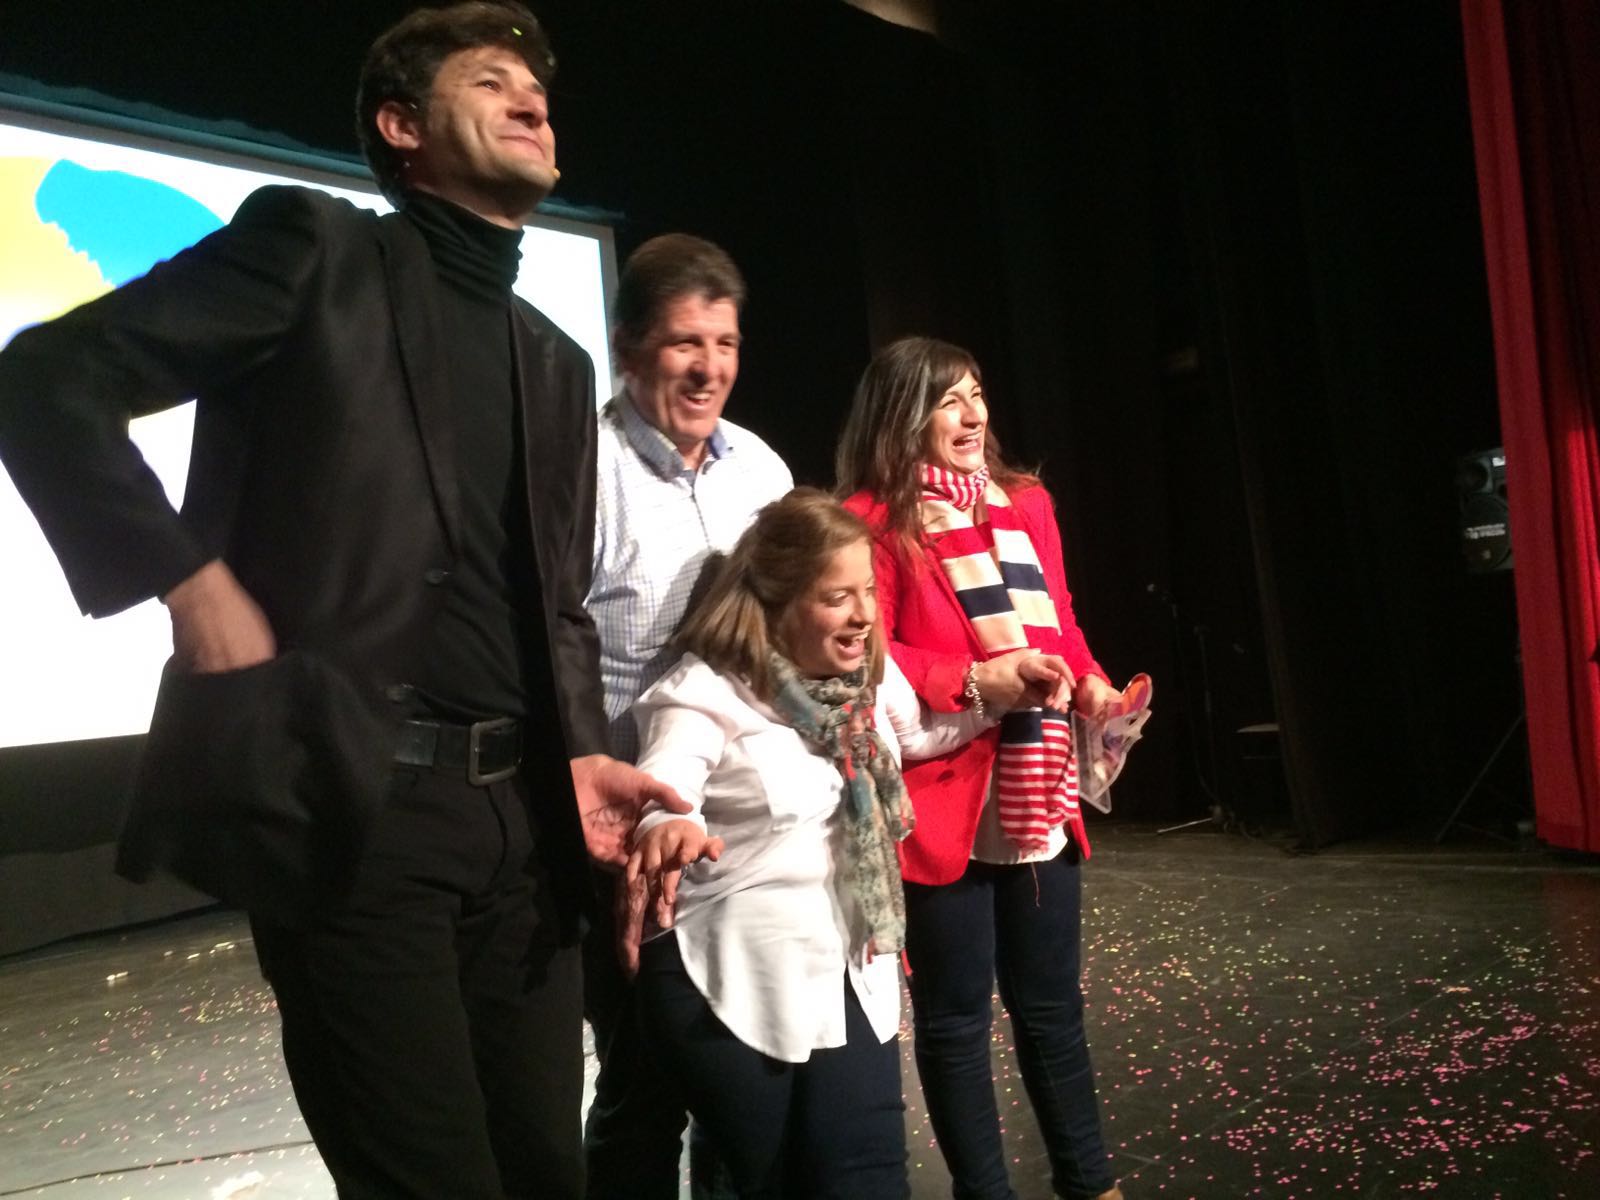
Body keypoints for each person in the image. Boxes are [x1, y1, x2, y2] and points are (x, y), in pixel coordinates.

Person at [0, 5, 680, 1197]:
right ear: (400, 126)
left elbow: (557, 605)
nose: (533, 99)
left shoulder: (554, 359)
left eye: (539, 88)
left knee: (545, 1177)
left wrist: (576, 760)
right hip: (363, 811)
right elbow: (46, 379)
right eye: (492, 80)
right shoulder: (316, 254)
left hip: (518, 831)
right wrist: (186, 576)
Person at [618, 489, 1073, 1200]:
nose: (864, 614)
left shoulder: (867, 679)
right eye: (838, 597)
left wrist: (1003, 699)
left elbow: (917, 738)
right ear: (778, 601)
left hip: (851, 972)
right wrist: (664, 826)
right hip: (738, 980)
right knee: (767, 1184)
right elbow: (666, 779)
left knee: (866, 1179)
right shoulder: (709, 689)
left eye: (867, 590)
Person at [838, 336, 1126, 1200]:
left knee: (1053, 1013)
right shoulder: (868, 520)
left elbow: (1061, 619)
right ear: (902, 416)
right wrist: (967, 679)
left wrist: (1091, 681)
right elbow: (868, 651)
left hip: (1040, 785)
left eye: (977, 395)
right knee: (958, 1023)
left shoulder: (1028, 503)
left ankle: (1092, 1185)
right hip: (943, 792)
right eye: (947, 401)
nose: (972, 416)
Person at [583, 233, 792, 1198]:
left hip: (746, 829)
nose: (710, 368)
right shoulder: (584, 468)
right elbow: (552, 652)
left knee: (744, 1068)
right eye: (683, 344)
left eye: (727, 343)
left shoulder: (761, 469)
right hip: (631, 824)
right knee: (644, 1080)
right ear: (629, 348)